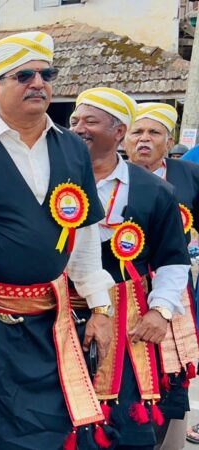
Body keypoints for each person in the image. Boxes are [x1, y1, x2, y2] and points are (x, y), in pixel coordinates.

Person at [0, 32, 117, 449]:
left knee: (50, 431)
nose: (38, 83)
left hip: (53, 326)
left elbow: (85, 238)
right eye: (24, 76)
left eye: (45, 74)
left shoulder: (73, 148)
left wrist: (100, 308)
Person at [71, 88, 190, 449]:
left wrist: (160, 311)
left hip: (128, 319)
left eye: (90, 121)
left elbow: (173, 258)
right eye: (74, 121)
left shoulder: (155, 190)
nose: (79, 129)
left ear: (119, 131)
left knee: (125, 412)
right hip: (64, 311)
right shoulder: (56, 179)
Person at [124, 103, 199, 448]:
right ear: (123, 138)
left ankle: (166, 438)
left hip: (173, 287)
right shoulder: (110, 174)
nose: (144, 139)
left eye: (154, 133)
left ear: (169, 142)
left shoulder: (188, 175)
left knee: (171, 374)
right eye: (137, 132)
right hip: (123, 289)